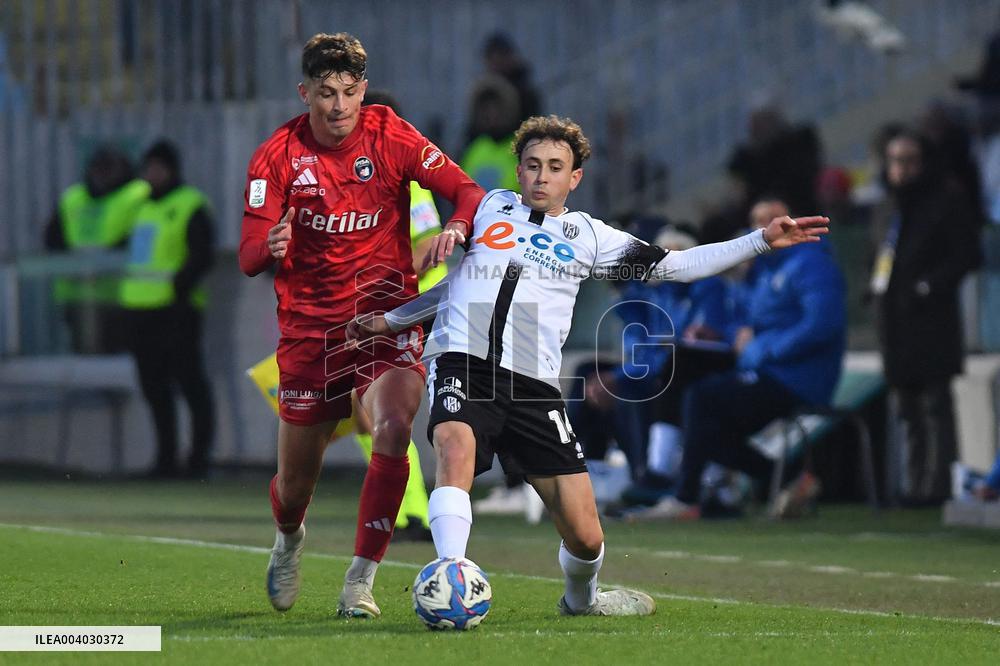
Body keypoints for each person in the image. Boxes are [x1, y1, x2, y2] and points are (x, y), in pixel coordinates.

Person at [348, 116, 829, 616]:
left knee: (585, 535)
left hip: (533, 385)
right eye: (532, 165)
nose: (541, 176)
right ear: (517, 170)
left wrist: (758, 241)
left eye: (555, 167)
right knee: (454, 448)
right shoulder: (488, 207)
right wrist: (391, 321)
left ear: (574, 178)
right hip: (463, 362)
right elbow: (458, 287)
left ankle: (582, 599)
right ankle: (452, 573)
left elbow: (676, 265)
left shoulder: (591, 238)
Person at [238, 33, 483, 618]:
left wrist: (458, 227)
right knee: (294, 487)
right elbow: (248, 254)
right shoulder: (276, 156)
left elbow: (467, 191)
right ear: (306, 94)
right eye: (326, 93)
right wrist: (269, 245)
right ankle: (289, 538)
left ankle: (359, 582)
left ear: (363, 90)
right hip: (310, 332)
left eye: (349, 92)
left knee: (395, 426)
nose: (340, 106)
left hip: (383, 320)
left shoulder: (391, 134)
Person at [245, 89, 441, 541]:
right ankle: (407, 511)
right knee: (370, 416)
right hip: (372, 313)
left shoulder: (404, 180)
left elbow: (429, 246)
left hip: (407, 308)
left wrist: (382, 289)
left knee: (378, 416)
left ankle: (413, 514)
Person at [626, 198, 846, 521]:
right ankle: (780, 479)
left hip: (799, 378)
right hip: (764, 369)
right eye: (757, 219)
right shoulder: (759, 271)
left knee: (702, 399)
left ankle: (685, 496)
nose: (765, 226)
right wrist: (730, 337)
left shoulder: (810, 264)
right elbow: (743, 326)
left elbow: (822, 324)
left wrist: (763, 349)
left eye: (773, 217)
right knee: (692, 396)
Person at [869, 128, 982, 505]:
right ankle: (914, 484)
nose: (901, 169)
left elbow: (967, 254)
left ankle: (938, 485)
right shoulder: (887, 206)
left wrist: (929, 286)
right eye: (895, 161)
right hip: (894, 322)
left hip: (931, 320)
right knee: (906, 409)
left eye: (908, 160)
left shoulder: (946, 200)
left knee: (935, 404)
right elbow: (881, 255)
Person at [120, 140, 216, 478]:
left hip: (176, 310)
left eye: (158, 167)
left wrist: (180, 288)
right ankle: (165, 459)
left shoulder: (189, 204)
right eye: (148, 168)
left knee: (190, 384)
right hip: (140, 308)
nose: (152, 174)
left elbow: (201, 253)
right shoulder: (140, 206)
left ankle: (198, 460)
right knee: (154, 388)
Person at [44, 145, 150, 353]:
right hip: (78, 292)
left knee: (118, 356)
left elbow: (144, 238)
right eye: (98, 169)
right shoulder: (73, 198)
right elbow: (52, 238)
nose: (102, 175)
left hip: (120, 293)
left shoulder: (137, 195)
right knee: (84, 356)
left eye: (108, 169)